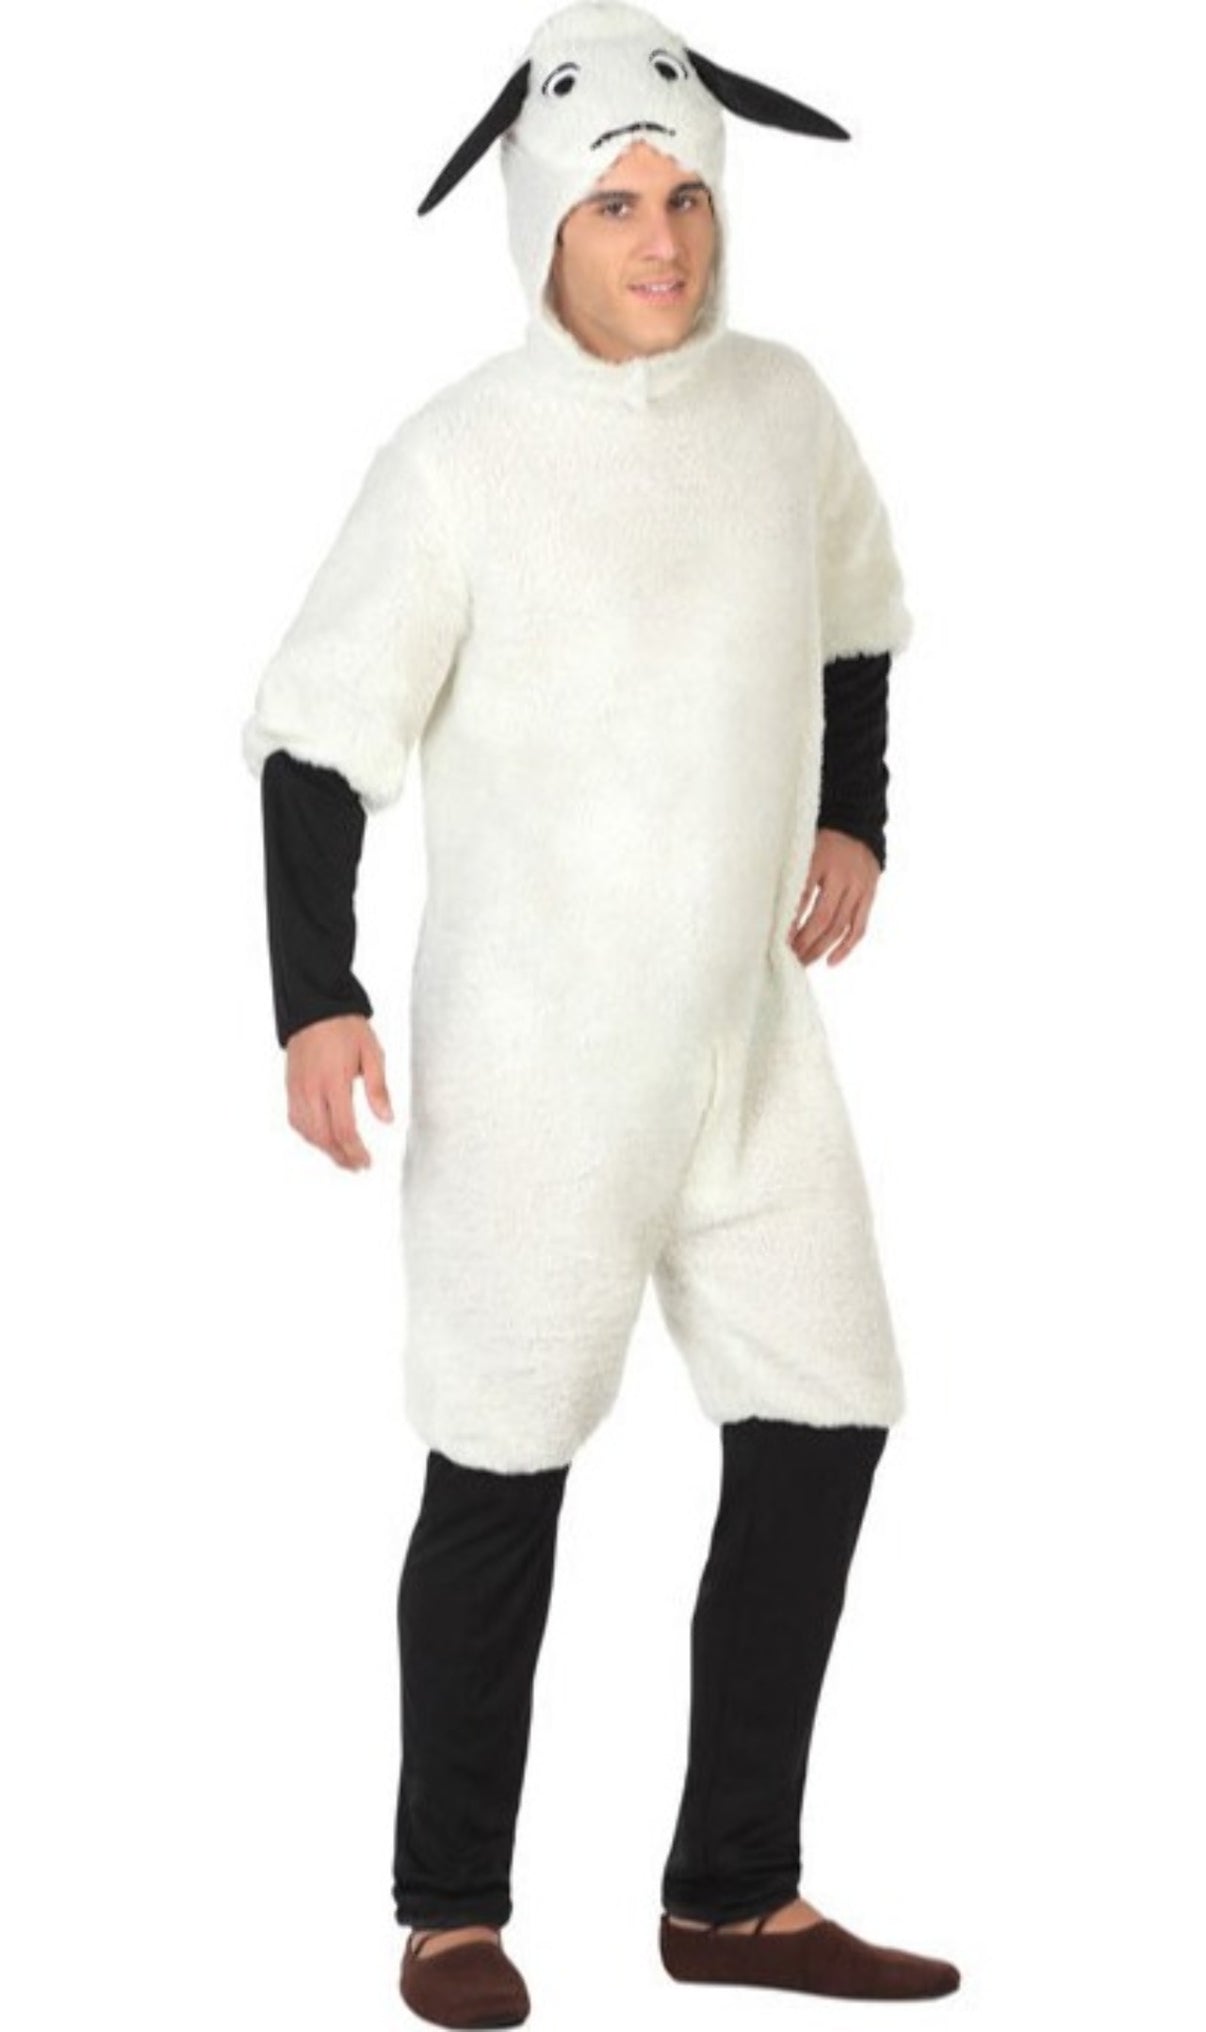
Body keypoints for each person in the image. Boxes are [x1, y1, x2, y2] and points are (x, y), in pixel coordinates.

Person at [242, 6, 961, 2021]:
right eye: (618, 204)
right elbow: (315, 736)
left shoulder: (784, 410)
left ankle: (731, 1893)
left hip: (749, 1045)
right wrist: (315, 998)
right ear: (544, 222)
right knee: (502, 1467)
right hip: (535, 1062)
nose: (663, 239)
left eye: (687, 199)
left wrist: (853, 812)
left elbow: (855, 614)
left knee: (828, 1413)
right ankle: (450, 1908)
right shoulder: (460, 459)